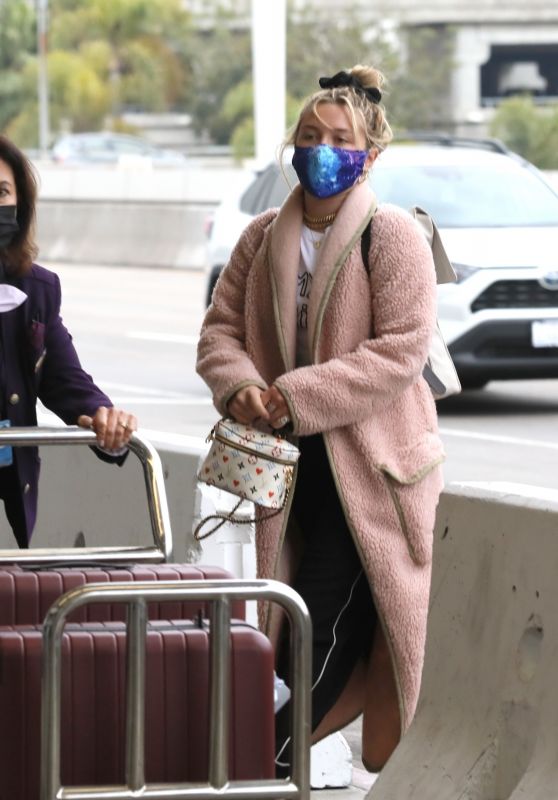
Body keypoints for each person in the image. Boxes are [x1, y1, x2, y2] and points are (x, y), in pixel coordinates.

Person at [196, 65, 445, 773]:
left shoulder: (392, 237)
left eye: (339, 138)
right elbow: (218, 334)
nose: (321, 148)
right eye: (310, 135)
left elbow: (401, 349)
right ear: (292, 144)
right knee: (304, 615)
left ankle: (260, 760)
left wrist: (296, 396)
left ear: (369, 153)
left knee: (319, 617)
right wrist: (242, 386)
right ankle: (270, 756)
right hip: (293, 469)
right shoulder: (259, 238)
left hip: (376, 470)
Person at [0, 134, 137, 548]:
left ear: (20, 206)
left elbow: (66, 381)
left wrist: (105, 419)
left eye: (1, 192)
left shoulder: (36, 290)